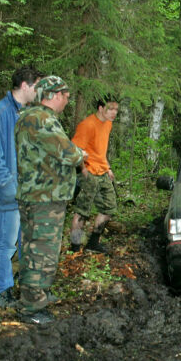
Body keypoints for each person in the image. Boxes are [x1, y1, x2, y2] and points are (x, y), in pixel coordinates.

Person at [15, 76, 87, 325]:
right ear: (55, 95)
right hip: (44, 198)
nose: (67, 101)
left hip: (35, 195)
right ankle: (32, 307)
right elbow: (67, 152)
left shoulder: (28, 116)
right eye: (66, 96)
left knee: (32, 247)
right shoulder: (41, 119)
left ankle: (37, 294)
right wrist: (81, 154)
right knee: (42, 251)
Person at [0, 65, 42, 308]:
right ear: (25, 85)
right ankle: (1, 293)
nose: (39, 91)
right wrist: (7, 184)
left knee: (21, 244)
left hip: (25, 193)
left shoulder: (24, 114)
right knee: (4, 246)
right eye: (37, 86)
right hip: (8, 195)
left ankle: (16, 287)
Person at [68, 97, 120, 253]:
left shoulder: (108, 124)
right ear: (100, 108)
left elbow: (100, 150)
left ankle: (93, 243)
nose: (114, 113)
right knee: (82, 212)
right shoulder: (87, 125)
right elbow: (75, 151)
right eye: (110, 109)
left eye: (116, 110)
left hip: (102, 171)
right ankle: (75, 248)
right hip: (89, 172)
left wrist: (108, 168)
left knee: (109, 208)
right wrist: (83, 169)